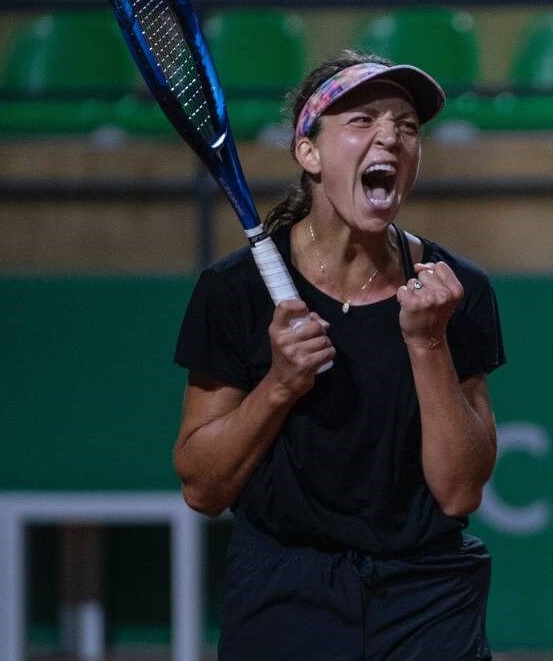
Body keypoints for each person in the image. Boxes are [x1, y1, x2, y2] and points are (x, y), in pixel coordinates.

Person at [172, 50, 505, 660]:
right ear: (309, 152)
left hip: (425, 597)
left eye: (407, 126)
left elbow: (460, 492)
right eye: (362, 120)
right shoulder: (233, 290)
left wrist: (428, 342)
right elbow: (202, 488)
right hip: (283, 593)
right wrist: (279, 384)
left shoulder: (455, 291)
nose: (391, 137)